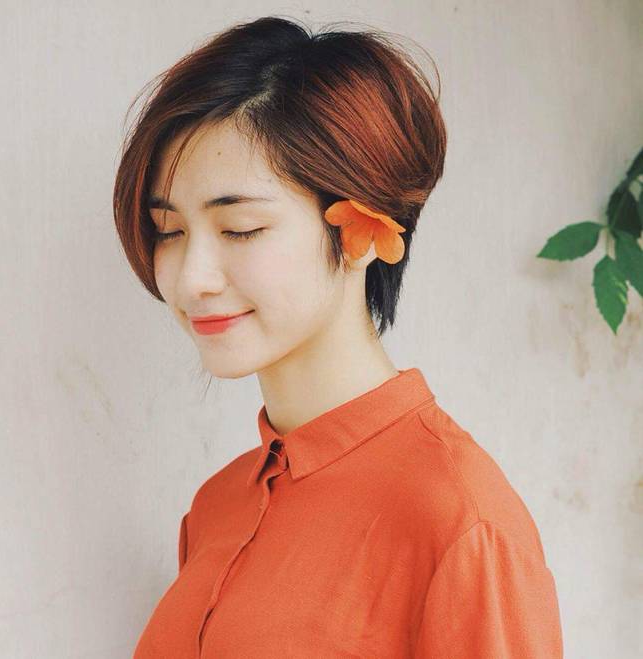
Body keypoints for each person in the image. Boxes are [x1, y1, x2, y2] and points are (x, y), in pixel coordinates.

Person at [113, 15, 563, 658]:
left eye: (240, 229)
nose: (191, 279)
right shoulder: (215, 507)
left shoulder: (460, 522)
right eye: (169, 231)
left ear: (361, 231)